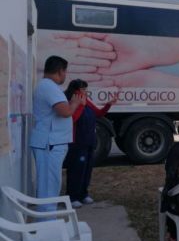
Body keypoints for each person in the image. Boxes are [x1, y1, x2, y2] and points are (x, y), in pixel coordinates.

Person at [29, 56, 83, 214]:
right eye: (65, 71)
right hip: (49, 144)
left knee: (50, 184)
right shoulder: (49, 87)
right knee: (49, 185)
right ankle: (47, 222)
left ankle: (47, 220)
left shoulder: (46, 86)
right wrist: (75, 103)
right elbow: (65, 112)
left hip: (50, 143)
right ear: (60, 71)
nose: (65, 75)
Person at [64, 79, 117, 208]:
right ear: (76, 91)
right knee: (76, 169)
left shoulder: (86, 101)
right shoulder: (74, 102)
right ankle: (73, 196)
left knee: (87, 169)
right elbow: (73, 118)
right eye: (83, 89)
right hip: (77, 142)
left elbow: (98, 113)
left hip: (89, 141)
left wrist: (108, 105)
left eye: (85, 89)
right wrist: (80, 105)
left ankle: (83, 194)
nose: (86, 92)